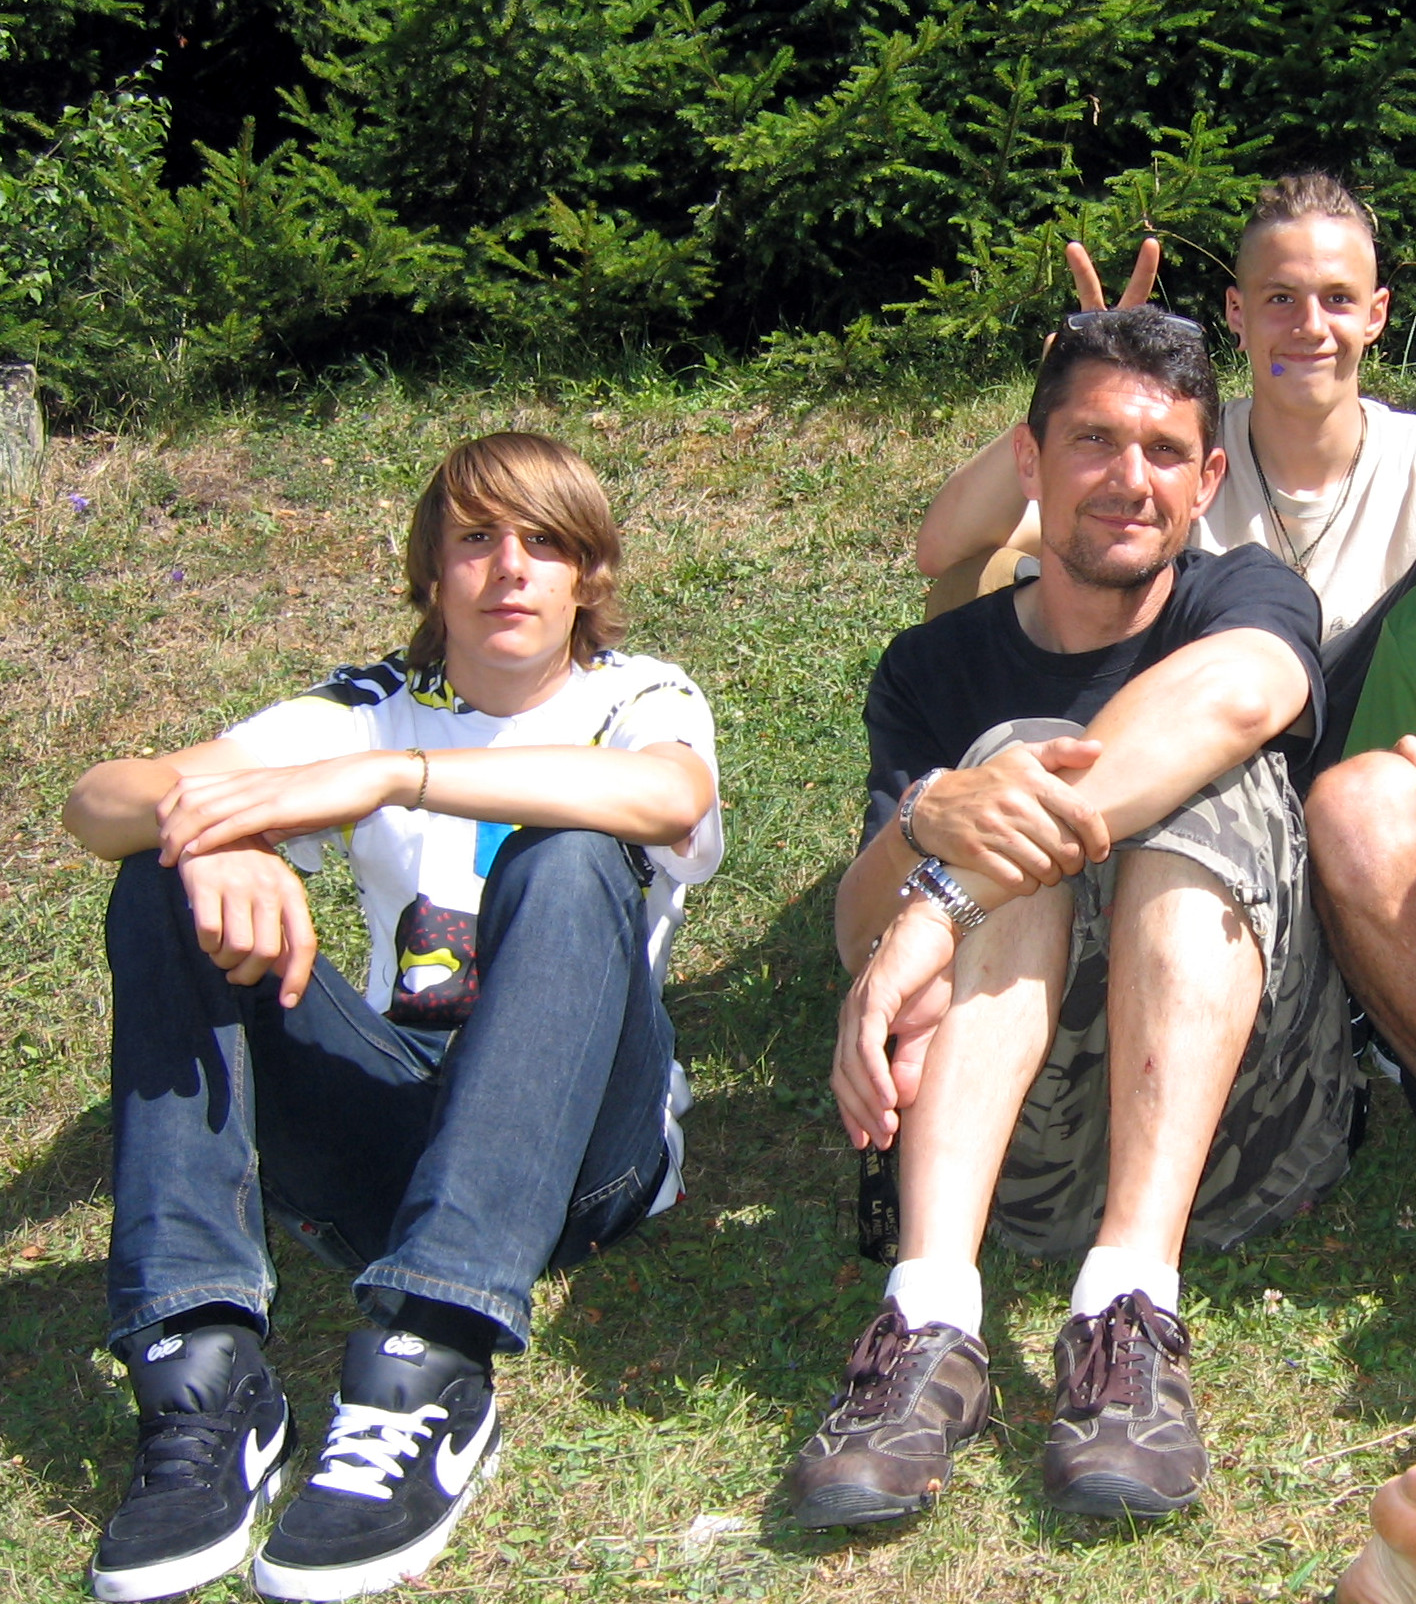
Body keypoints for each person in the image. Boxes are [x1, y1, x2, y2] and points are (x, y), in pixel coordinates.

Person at [62, 432, 723, 1602]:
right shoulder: (369, 705)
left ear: (588, 575)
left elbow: (667, 798)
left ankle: (427, 1363)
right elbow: (98, 798)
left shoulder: (638, 696)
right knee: (162, 874)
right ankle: (202, 1376)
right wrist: (218, 837)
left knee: (571, 852)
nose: (510, 567)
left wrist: (395, 778)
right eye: (476, 539)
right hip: (392, 1142)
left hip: (584, 1158)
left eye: (545, 542)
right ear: (430, 573)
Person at [786, 308, 1356, 1529]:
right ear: (1030, 462)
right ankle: (928, 1319)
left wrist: (948, 896)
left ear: (1208, 481)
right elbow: (853, 933)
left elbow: (1243, 693)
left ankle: (1129, 1308)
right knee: (1003, 758)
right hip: (1015, 1167)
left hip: (1246, 1134)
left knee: (1192, 769)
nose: (1128, 479)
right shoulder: (934, 667)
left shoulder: (1245, 596)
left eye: (1165, 451)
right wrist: (928, 824)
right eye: (1093, 441)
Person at [918, 173, 1416, 761]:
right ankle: (984, 790)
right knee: (985, 577)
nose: (1310, 327)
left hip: (1371, 759)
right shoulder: (1169, 453)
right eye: (1280, 299)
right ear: (1237, 313)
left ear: (1376, 314)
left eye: (1338, 299)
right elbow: (945, 553)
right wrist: (1073, 383)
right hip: (1188, 756)